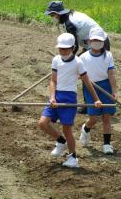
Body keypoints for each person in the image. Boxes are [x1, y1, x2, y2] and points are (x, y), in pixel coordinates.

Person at [38, 33, 102, 168]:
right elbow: (53, 81)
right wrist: (52, 97)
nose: (63, 51)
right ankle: (61, 142)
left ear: (73, 48)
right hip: (56, 96)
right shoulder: (56, 60)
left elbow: (87, 82)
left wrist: (96, 99)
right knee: (43, 123)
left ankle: (73, 158)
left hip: (69, 98)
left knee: (67, 129)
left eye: (66, 49)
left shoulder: (78, 62)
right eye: (60, 49)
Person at [44, 0, 111, 114]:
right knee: (88, 75)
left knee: (90, 76)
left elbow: (72, 46)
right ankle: (97, 104)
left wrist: (68, 60)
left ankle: (98, 105)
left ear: (58, 13)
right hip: (92, 44)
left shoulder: (69, 23)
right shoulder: (70, 17)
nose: (51, 17)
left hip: (98, 44)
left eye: (52, 15)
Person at [79, 27, 117, 154]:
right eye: (94, 40)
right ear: (89, 41)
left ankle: (107, 144)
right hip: (90, 87)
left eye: (100, 40)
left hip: (105, 86)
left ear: (103, 42)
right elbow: (80, 75)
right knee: (94, 118)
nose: (97, 42)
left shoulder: (108, 55)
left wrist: (114, 91)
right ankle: (86, 128)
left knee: (106, 116)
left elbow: (111, 73)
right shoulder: (83, 57)